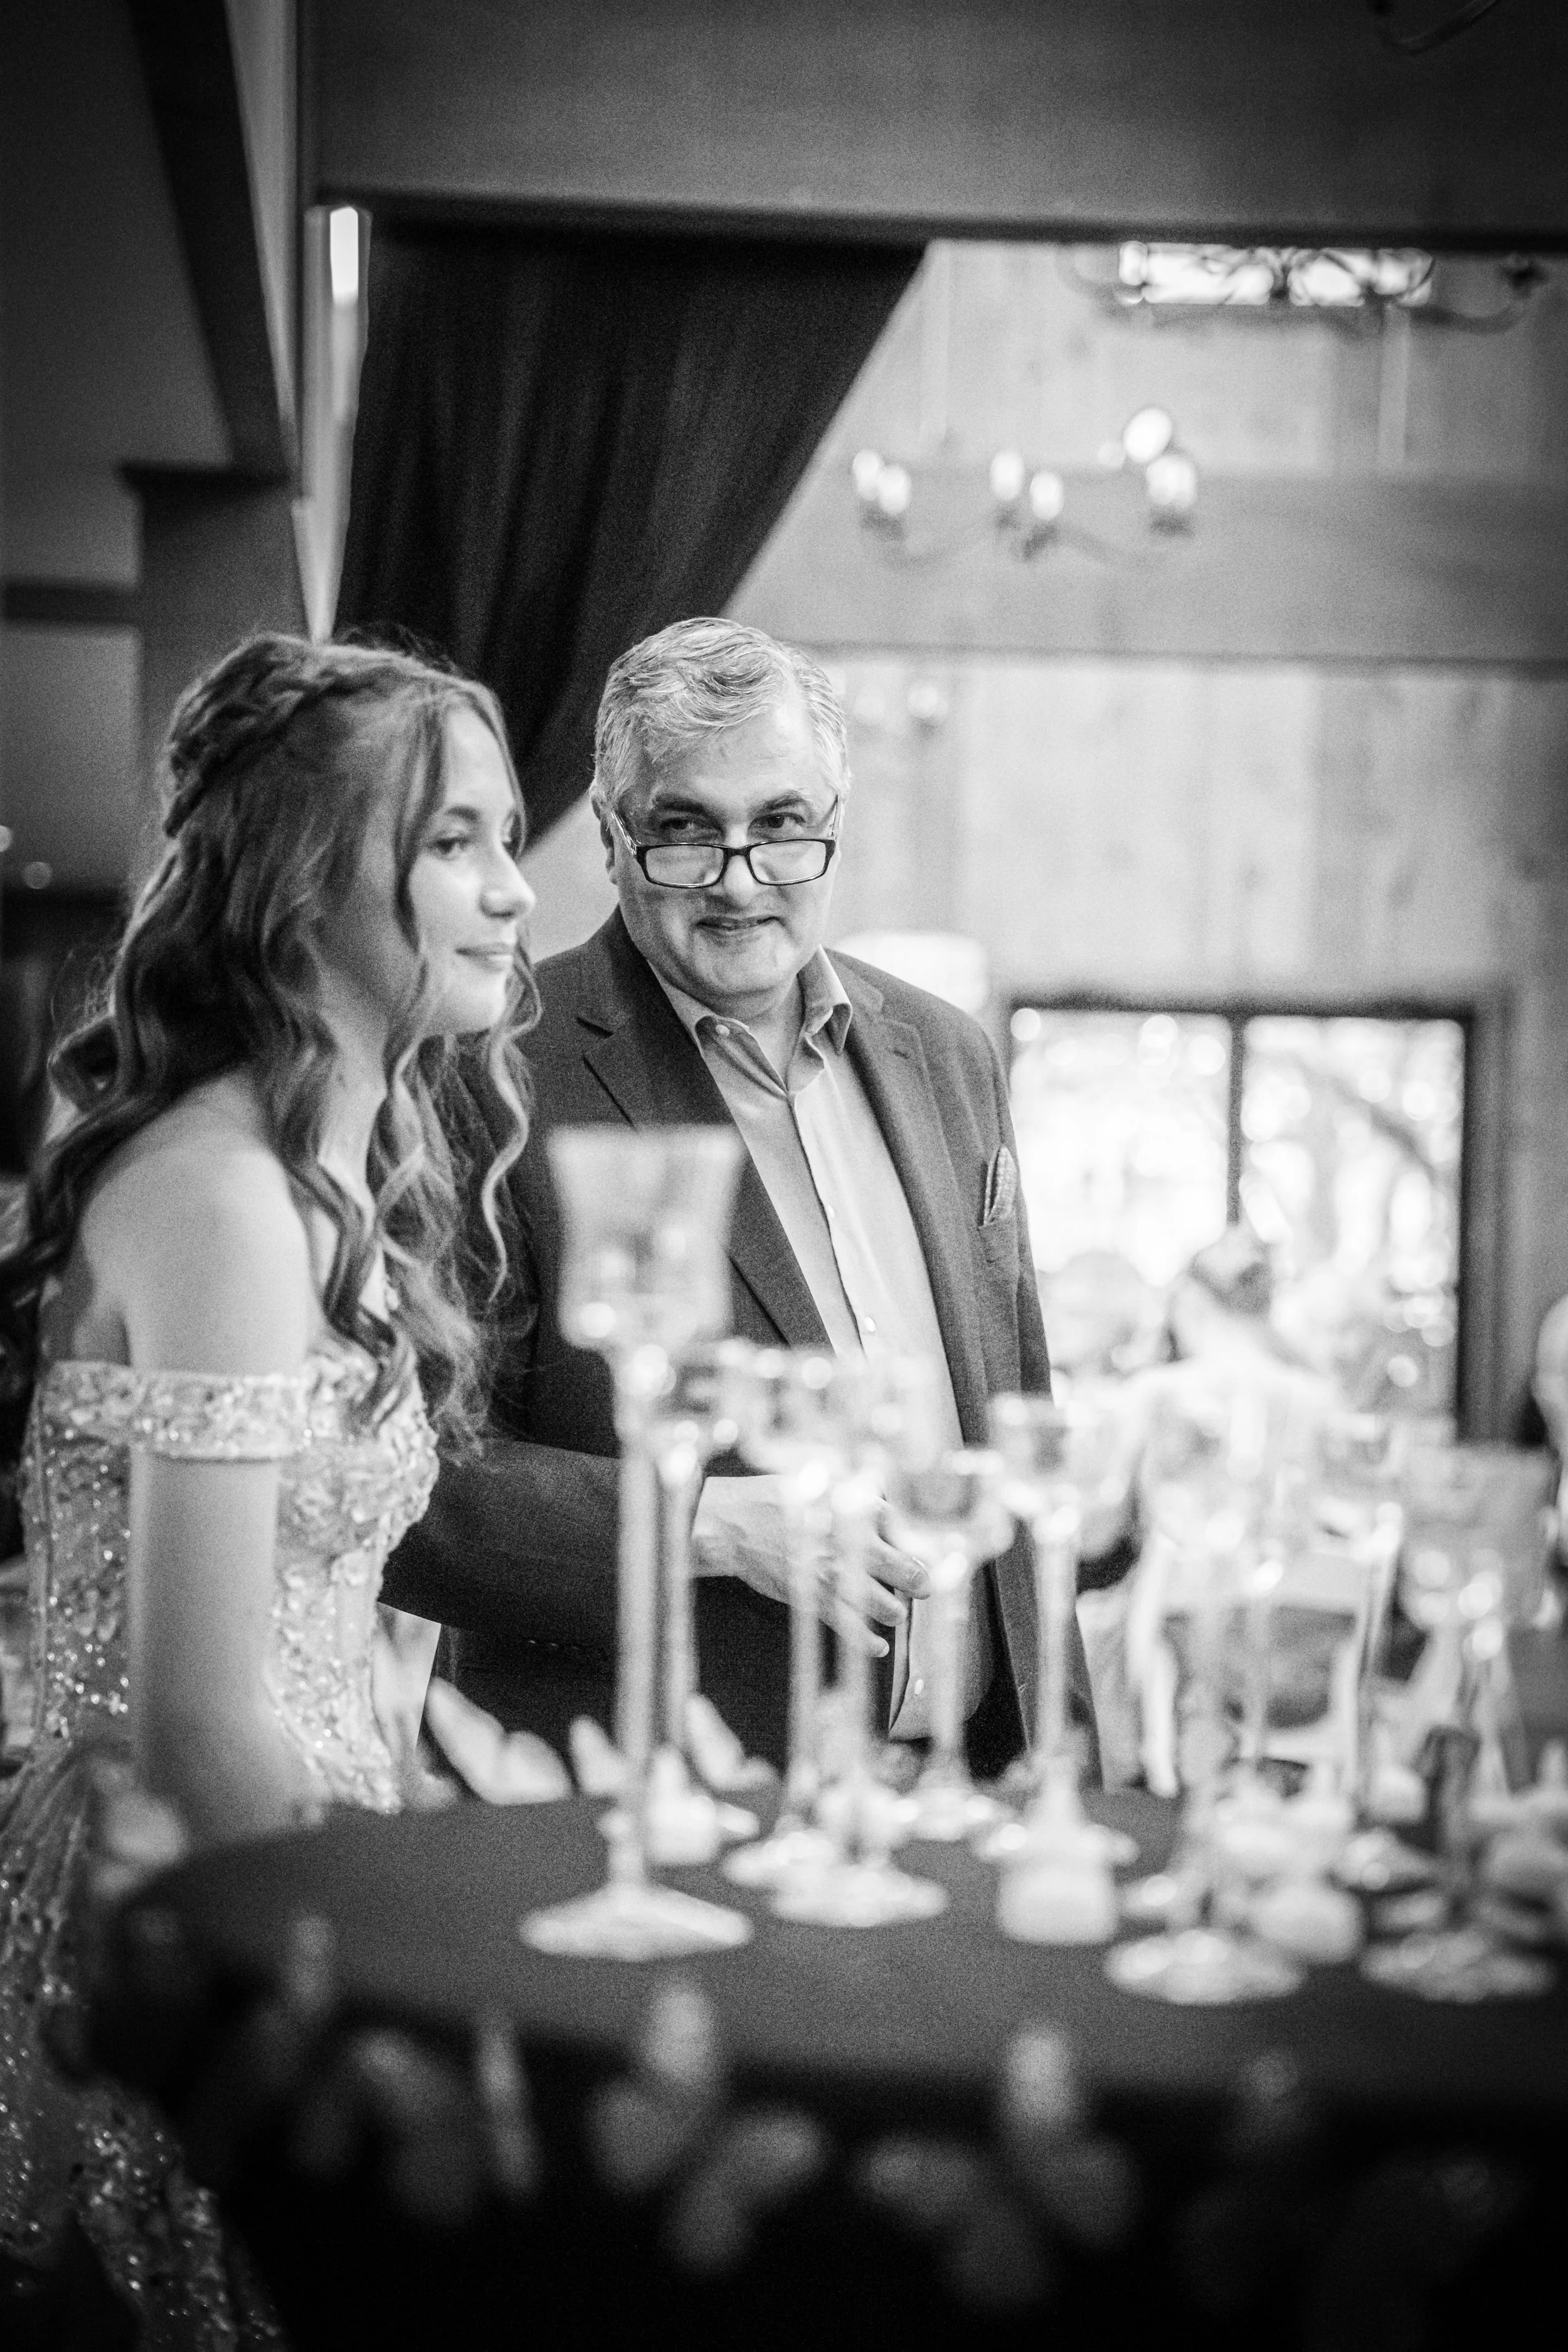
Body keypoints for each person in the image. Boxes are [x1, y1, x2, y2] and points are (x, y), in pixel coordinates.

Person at [0, 632, 536, 2339]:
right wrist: (357, 1992)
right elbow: (199, 1716)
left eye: (503, 836)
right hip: (193, 1907)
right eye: (452, 840)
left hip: (307, 1850)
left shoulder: (327, 1175)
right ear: (308, 872)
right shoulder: (223, 1194)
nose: (512, 890)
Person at [384, 616, 1097, 1779]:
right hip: (640, 1806)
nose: (738, 880)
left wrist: (1066, 1759)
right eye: (684, 831)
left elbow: (1015, 1416)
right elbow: (411, 1487)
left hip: (970, 1790)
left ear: (832, 825)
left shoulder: (950, 1055)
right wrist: (716, 1526)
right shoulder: (491, 1069)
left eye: (780, 827)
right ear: (612, 837)